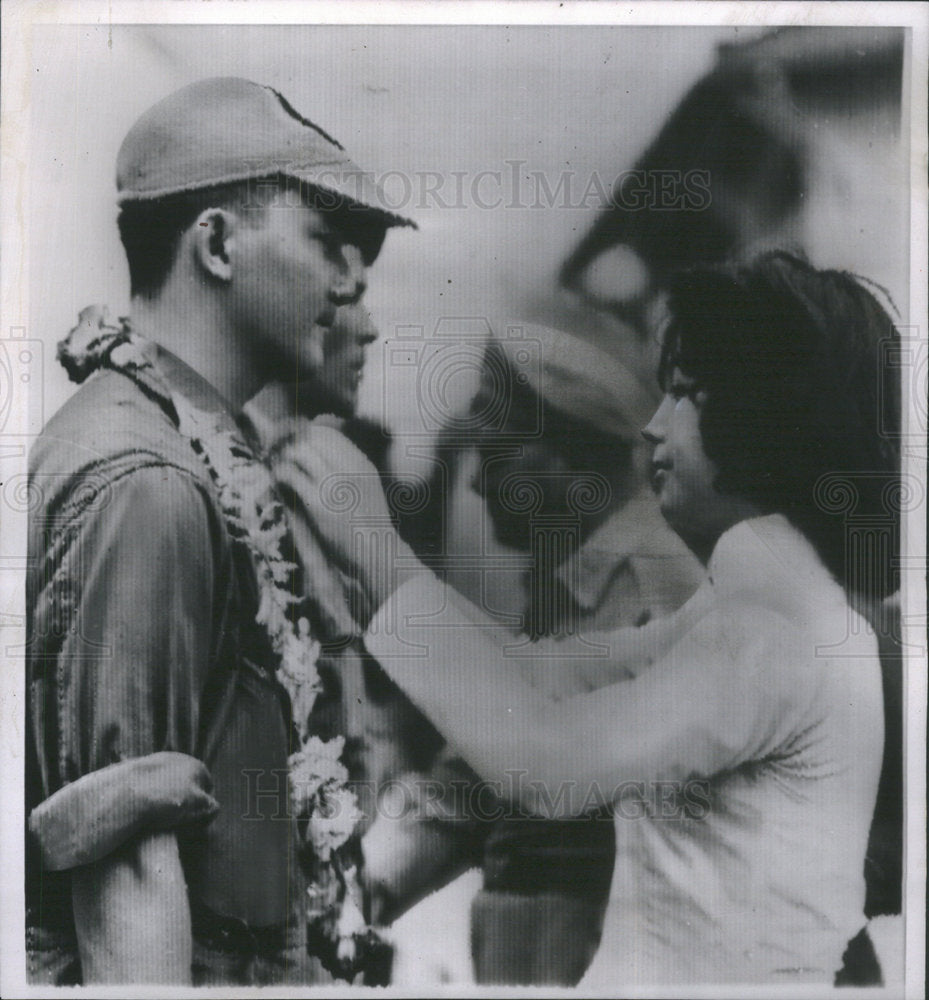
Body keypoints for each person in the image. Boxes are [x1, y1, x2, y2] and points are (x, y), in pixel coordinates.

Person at [299, 251, 900, 986]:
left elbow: (546, 763)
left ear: (760, 421)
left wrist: (372, 545)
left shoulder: (770, 633)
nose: (653, 426)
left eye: (684, 394)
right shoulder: (758, 607)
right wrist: (379, 564)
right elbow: (535, 677)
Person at [24, 76, 412, 986]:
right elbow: (126, 871)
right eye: (325, 241)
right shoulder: (151, 478)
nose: (352, 282)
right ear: (218, 244)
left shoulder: (196, 455)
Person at [359, 323, 702, 985]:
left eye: (494, 462)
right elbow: (474, 774)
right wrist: (372, 878)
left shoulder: (656, 591)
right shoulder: (567, 581)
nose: (479, 490)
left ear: (566, 459)